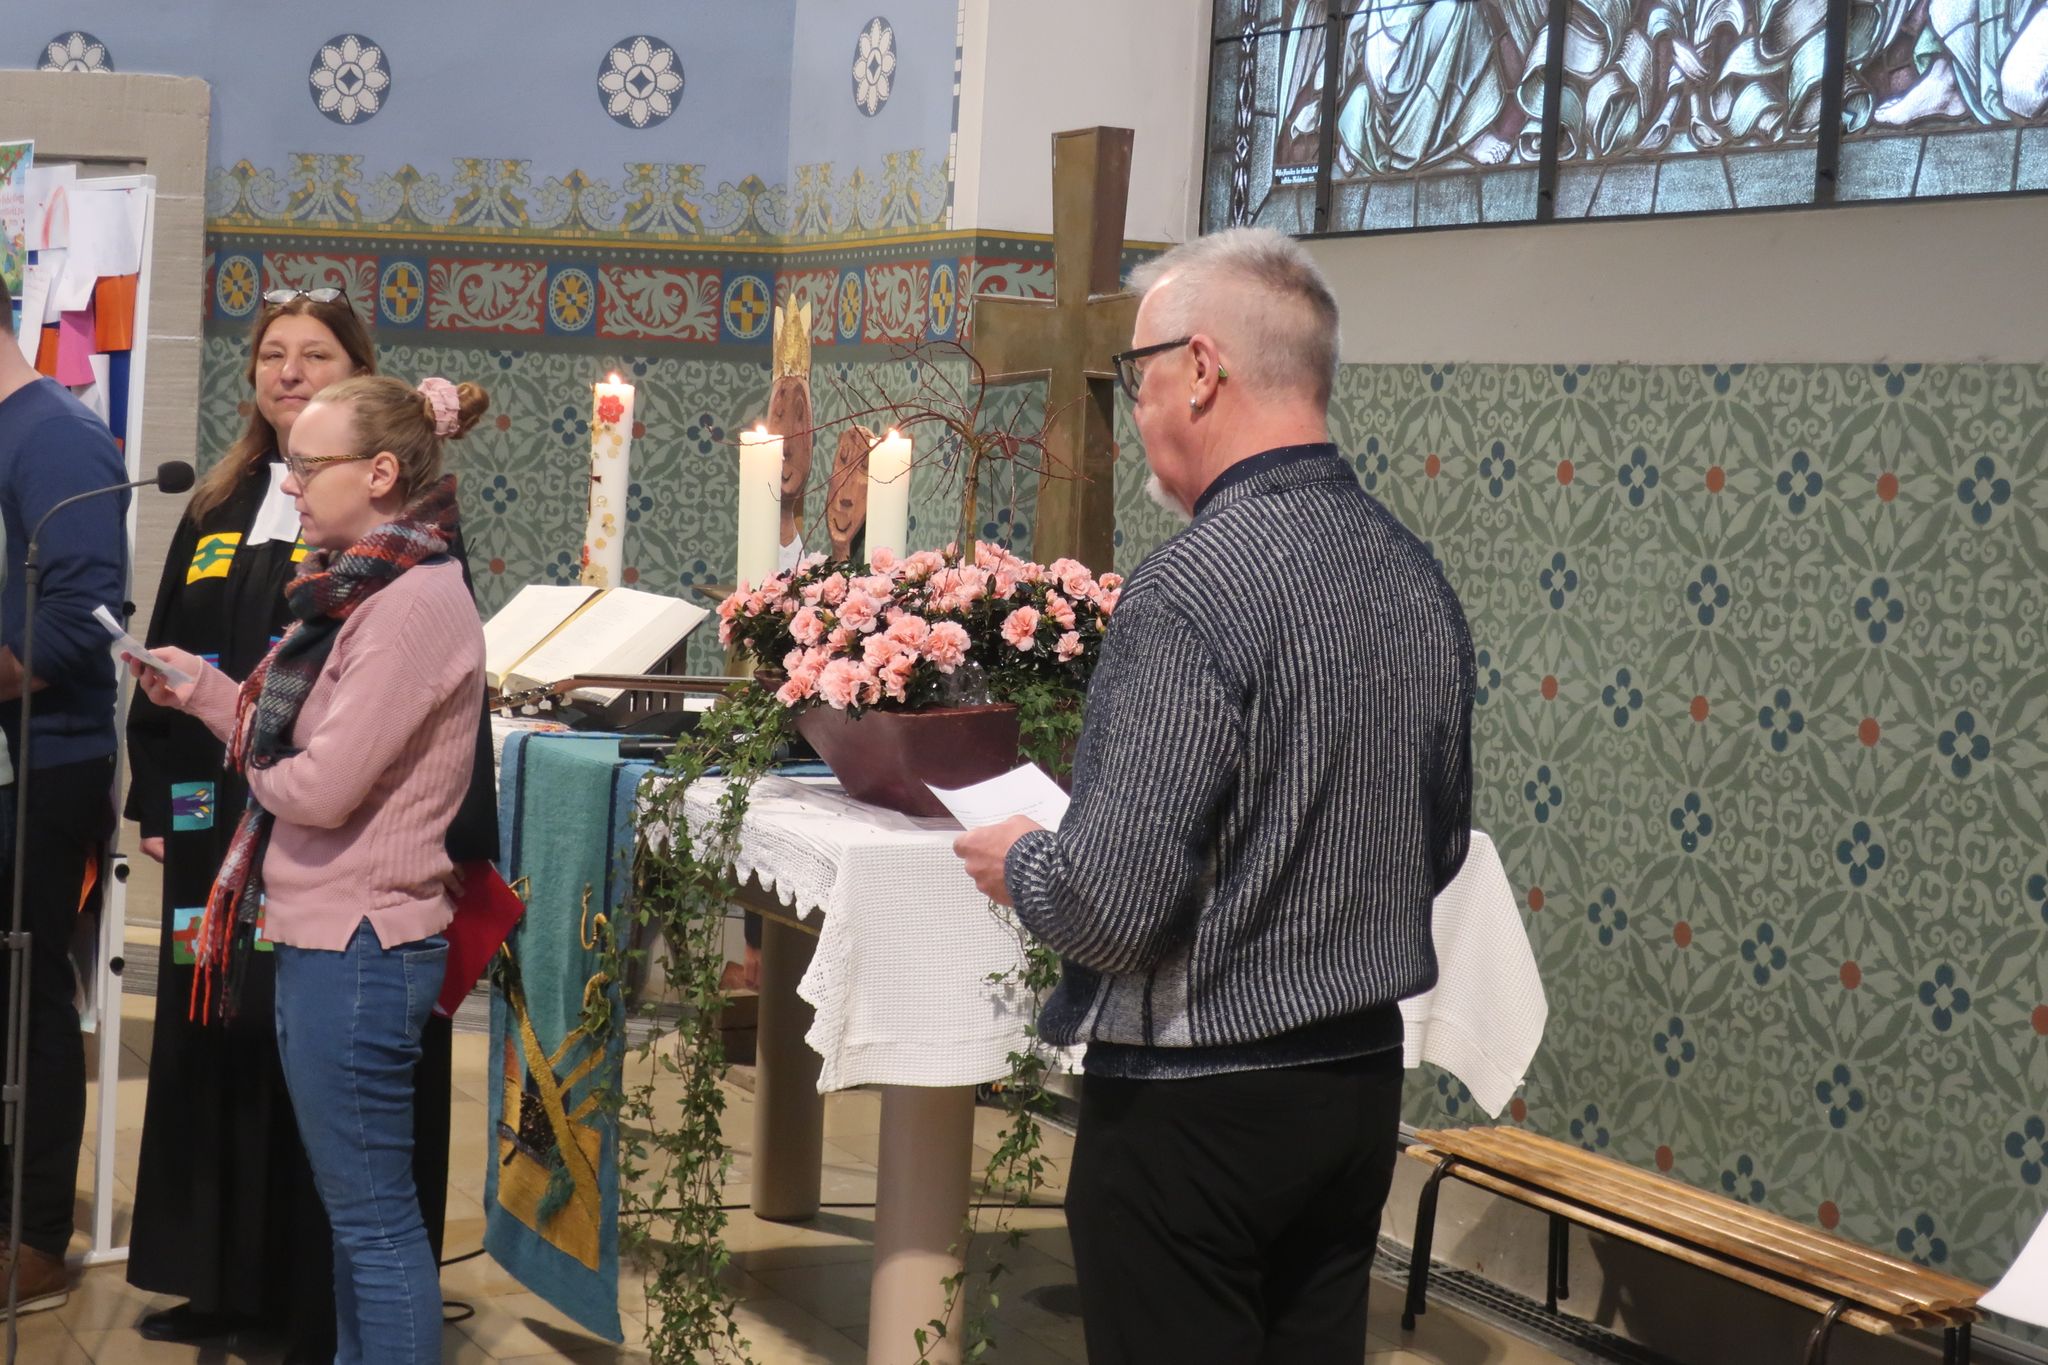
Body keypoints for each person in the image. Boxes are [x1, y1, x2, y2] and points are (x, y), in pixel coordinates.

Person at [952, 227, 1476, 1365]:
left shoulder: (1193, 587)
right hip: (1354, 1091)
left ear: (1200, 370)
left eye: (1137, 374)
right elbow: (1437, 845)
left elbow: (1111, 910)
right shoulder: (1411, 573)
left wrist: (1020, 861)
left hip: (1194, 1108)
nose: (1134, 406)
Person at [122, 292, 492, 1359]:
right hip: (323, 920)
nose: (291, 482)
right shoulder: (358, 582)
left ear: (379, 473)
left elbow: (322, 783)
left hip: (362, 936)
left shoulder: (409, 598)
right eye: (270, 355)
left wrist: (254, 757)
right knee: (357, 1211)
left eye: (312, 465)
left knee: (372, 1223)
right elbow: (302, 724)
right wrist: (205, 693)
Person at [0, 272, 129, 1316]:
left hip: (43, 762)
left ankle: (35, 1233)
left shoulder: (54, 435)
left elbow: (84, 620)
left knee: (25, 989)